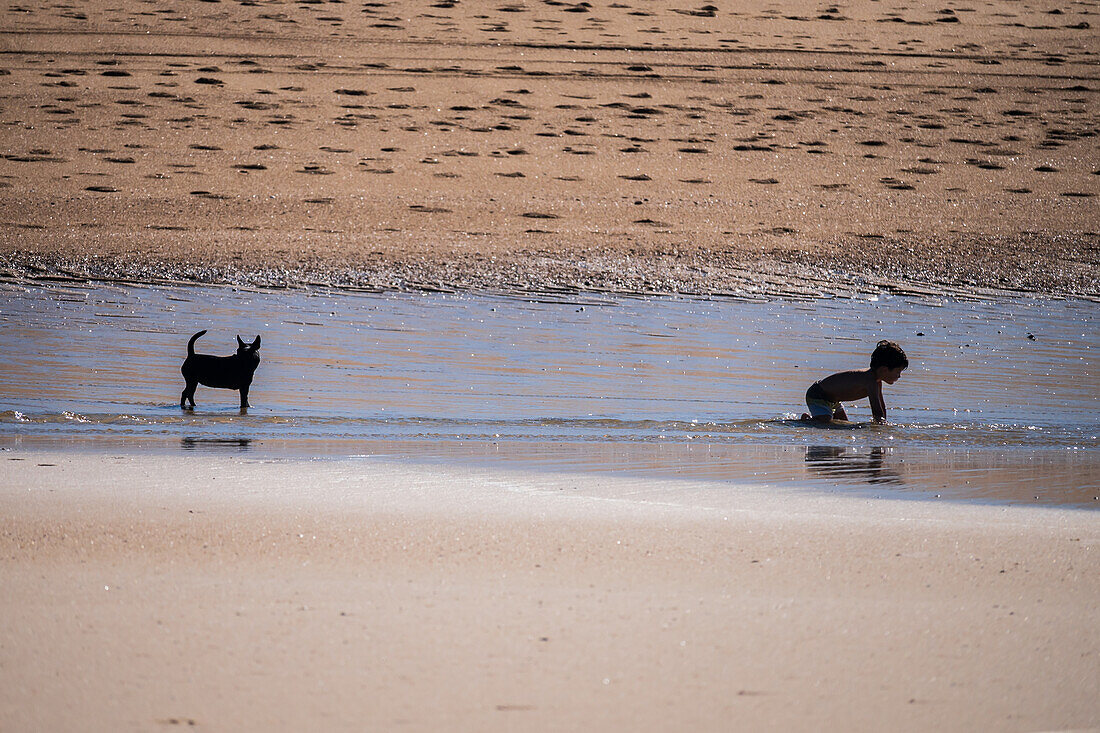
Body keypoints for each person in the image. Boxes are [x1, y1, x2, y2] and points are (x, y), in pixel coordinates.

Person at [801, 340, 908, 424]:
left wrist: (884, 422)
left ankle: (815, 419)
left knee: (842, 424)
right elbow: (876, 410)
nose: (899, 376)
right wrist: (880, 427)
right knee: (824, 423)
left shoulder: (877, 381)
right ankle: (807, 421)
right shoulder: (870, 381)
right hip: (819, 394)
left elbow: (881, 406)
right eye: (897, 372)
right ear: (884, 369)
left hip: (834, 400)